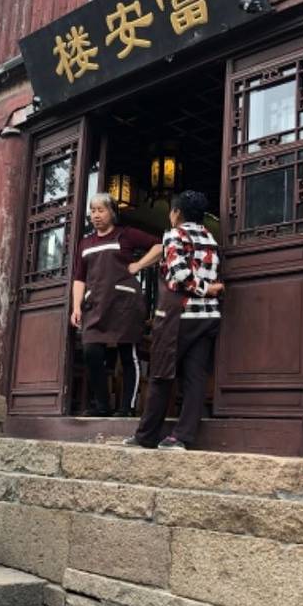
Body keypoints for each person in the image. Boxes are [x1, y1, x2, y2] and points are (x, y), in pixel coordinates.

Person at [124, 190, 224, 450]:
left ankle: (146, 435)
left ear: (177, 213)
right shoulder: (210, 237)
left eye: (171, 210)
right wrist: (210, 290)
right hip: (207, 317)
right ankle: (182, 437)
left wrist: (205, 289)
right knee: (195, 378)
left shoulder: (174, 235)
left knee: (161, 372)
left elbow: (180, 275)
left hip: (178, 316)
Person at [71, 192, 161, 417]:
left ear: (112, 212)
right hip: (95, 304)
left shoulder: (126, 235)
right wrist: (76, 306)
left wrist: (138, 265)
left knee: (127, 353)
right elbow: (79, 278)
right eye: (93, 211)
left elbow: (160, 246)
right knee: (91, 352)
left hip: (124, 304)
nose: (96, 215)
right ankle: (102, 405)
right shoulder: (85, 243)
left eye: (101, 210)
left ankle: (127, 407)